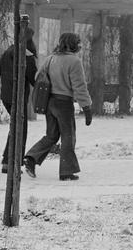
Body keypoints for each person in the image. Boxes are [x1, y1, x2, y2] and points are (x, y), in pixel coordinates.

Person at [23, 32, 92, 181]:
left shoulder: (51, 59)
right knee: (68, 136)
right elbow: (79, 87)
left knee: (51, 135)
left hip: (49, 103)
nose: (80, 46)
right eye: (78, 43)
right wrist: (86, 107)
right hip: (64, 103)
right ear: (72, 44)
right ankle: (66, 171)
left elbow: (37, 77)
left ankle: (31, 158)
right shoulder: (74, 61)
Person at [0, 28, 38, 173]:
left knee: (15, 127)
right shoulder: (26, 55)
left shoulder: (8, 52)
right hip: (18, 98)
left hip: (7, 97)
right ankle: (11, 163)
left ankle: (9, 161)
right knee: (20, 129)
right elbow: (34, 80)